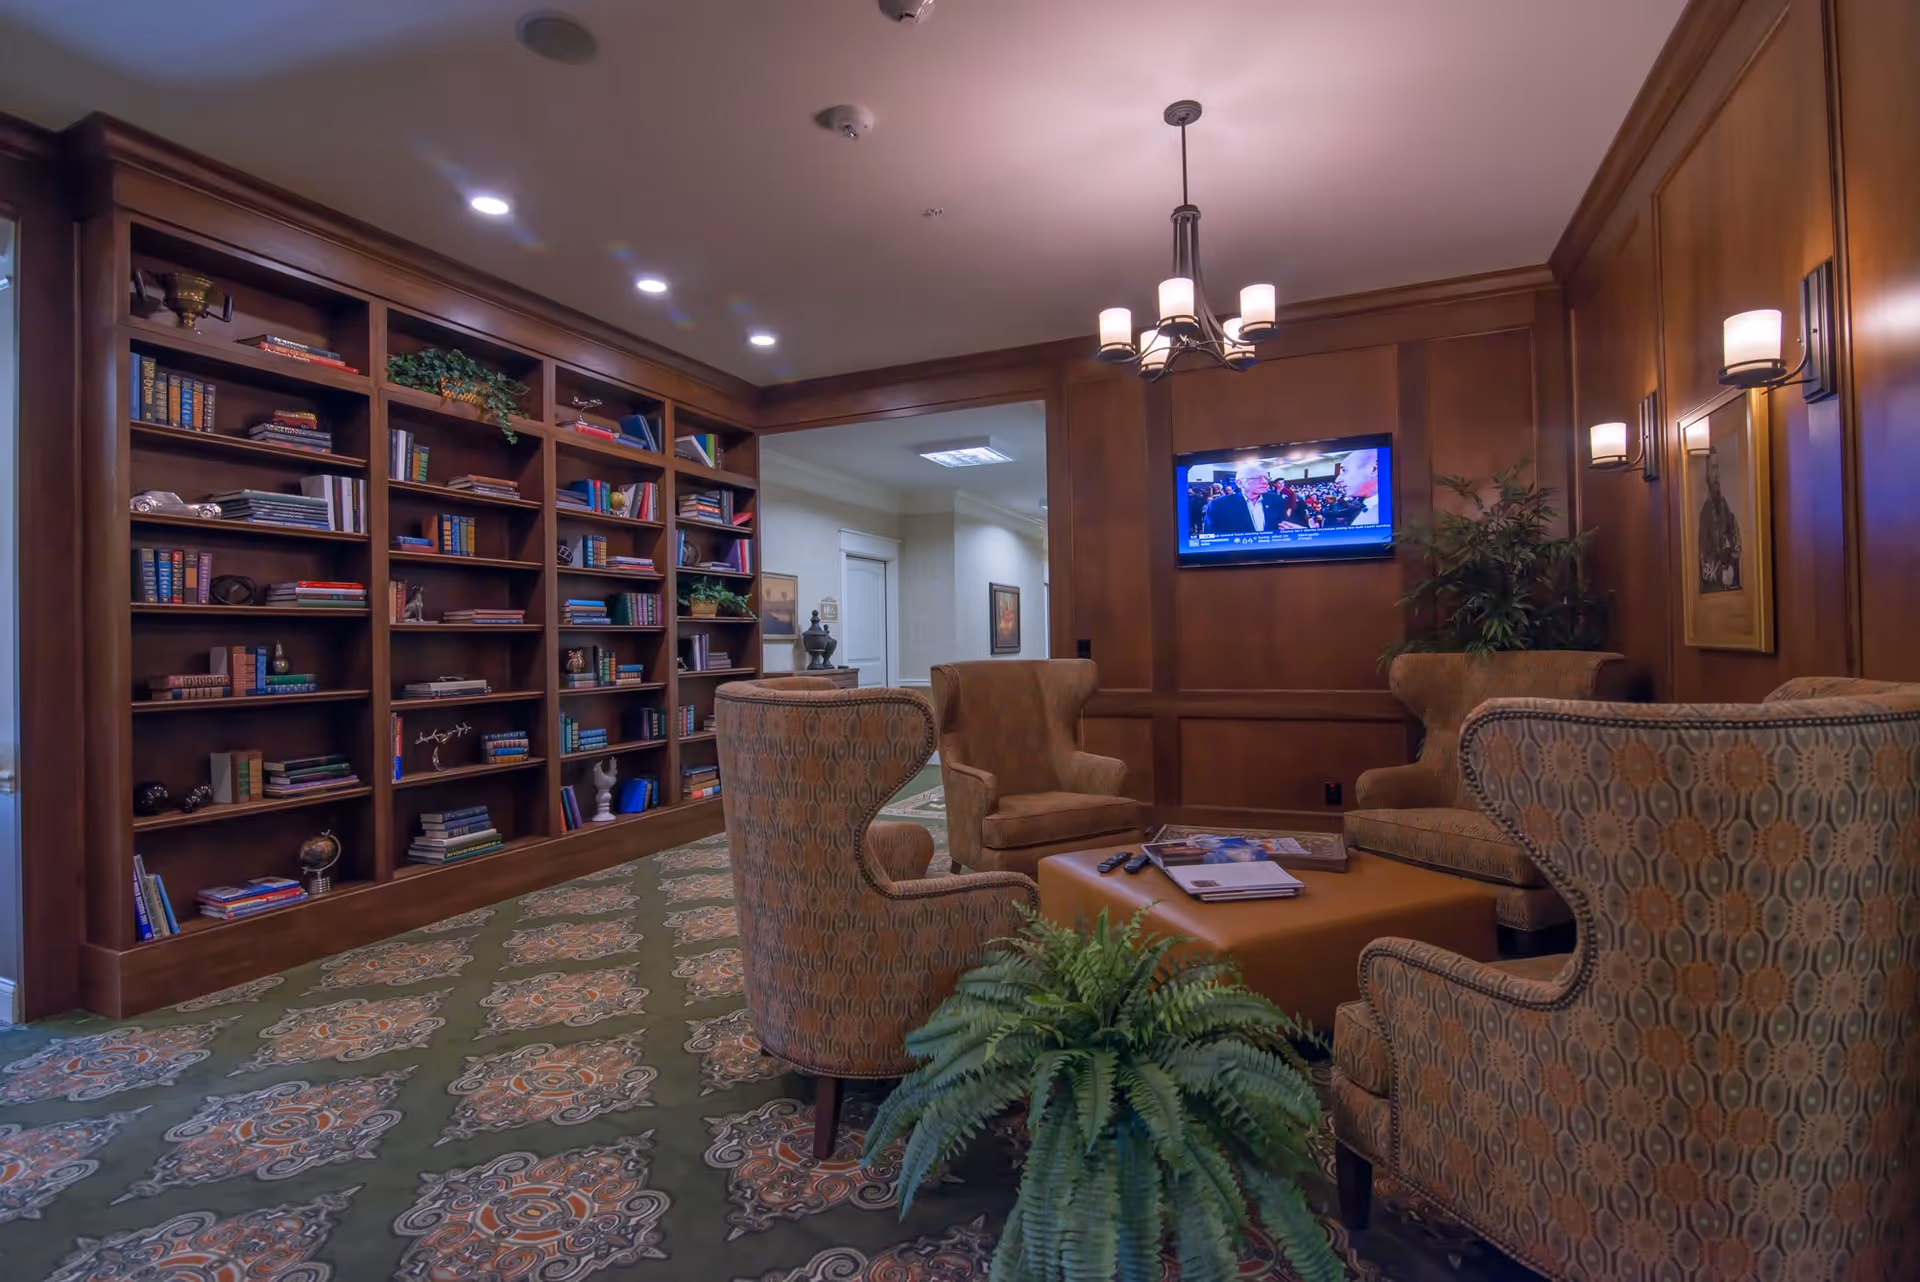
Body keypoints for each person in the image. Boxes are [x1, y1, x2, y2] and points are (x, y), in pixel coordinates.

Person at [1697, 447, 1741, 592]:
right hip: (1711, 590)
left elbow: (1733, 529)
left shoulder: (1723, 504)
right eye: (1713, 468)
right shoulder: (1704, 513)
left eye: (1718, 468)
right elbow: (1704, 563)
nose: (1717, 475)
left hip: (1727, 583)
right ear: (1707, 474)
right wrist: (1722, 574)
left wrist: (1735, 553)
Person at [1204, 463, 1288, 535]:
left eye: (1266, 478)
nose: (1264, 482)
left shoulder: (1276, 499)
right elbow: (1211, 536)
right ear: (1240, 483)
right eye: (1257, 478)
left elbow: (1282, 526)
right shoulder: (1219, 505)